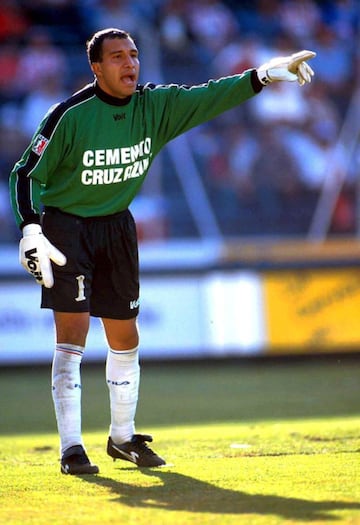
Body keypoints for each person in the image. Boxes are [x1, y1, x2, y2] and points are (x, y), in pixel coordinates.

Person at [9, 28, 315, 475]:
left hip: (116, 225)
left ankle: (122, 438)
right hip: (66, 228)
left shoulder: (156, 107)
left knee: (126, 337)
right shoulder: (69, 115)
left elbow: (211, 96)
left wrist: (264, 75)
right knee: (72, 335)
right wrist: (32, 231)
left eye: (133, 55)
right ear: (96, 67)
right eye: (116, 57)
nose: (129, 63)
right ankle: (71, 448)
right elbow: (24, 174)